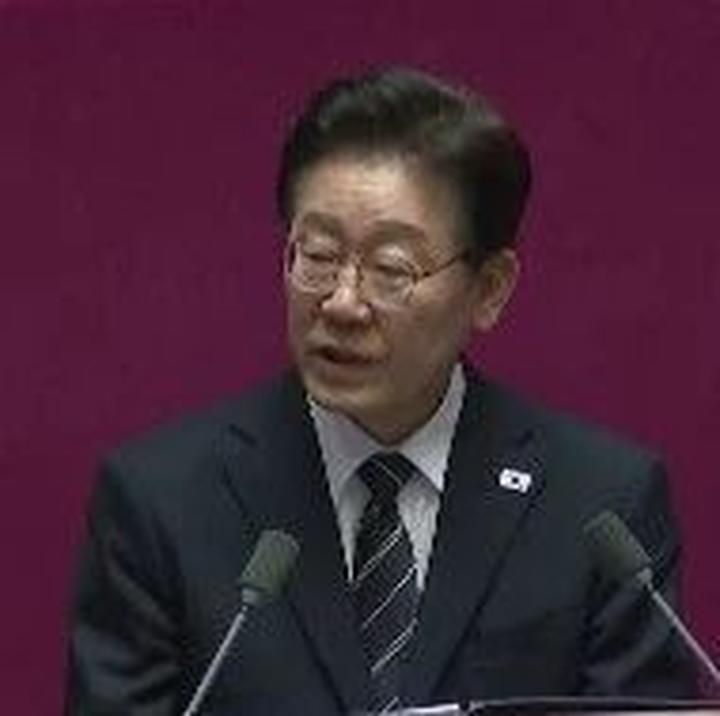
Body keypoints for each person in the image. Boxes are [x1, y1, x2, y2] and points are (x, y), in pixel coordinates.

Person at [66, 67, 697, 715]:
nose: (342, 303)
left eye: (391, 269)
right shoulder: (160, 503)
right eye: (317, 255)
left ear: (489, 290)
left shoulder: (600, 506)